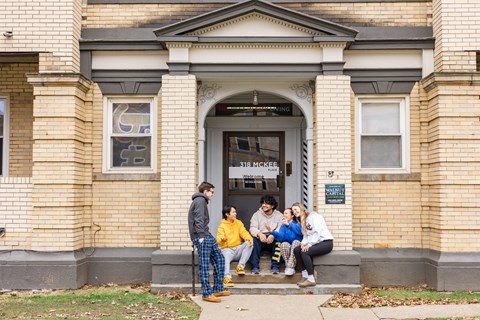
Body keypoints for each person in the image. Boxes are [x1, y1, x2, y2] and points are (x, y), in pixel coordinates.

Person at [188, 181, 230, 303]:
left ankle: (217, 288)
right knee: (205, 264)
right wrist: (200, 236)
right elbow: (198, 219)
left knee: (220, 259)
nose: (212, 194)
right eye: (211, 192)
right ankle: (206, 293)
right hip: (202, 236)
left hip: (206, 235)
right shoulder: (200, 201)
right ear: (205, 191)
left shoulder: (201, 201)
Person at [292, 202, 333, 288]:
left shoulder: (313, 216)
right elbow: (306, 235)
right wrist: (303, 243)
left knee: (304, 252)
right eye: (293, 211)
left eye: (296, 209)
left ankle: (311, 279)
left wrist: (309, 244)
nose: (294, 212)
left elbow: (316, 233)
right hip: (315, 242)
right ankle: (305, 275)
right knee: (296, 250)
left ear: (301, 208)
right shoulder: (303, 220)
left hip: (325, 242)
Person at [216, 205, 254, 287]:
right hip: (227, 250)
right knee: (225, 256)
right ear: (227, 214)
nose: (235, 214)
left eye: (235, 212)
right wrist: (222, 239)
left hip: (238, 249)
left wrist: (250, 239)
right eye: (233, 212)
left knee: (249, 243)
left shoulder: (238, 223)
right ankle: (227, 278)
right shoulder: (222, 225)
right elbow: (219, 237)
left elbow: (244, 232)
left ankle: (240, 266)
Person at [249, 195, 283, 274]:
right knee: (253, 241)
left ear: (272, 206)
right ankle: (255, 267)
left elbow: (281, 227)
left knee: (279, 241)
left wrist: (273, 235)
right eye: (263, 203)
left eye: (267, 203)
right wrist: (259, 234)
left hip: (272, 237)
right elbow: (252, 228)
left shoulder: (278, 215)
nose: (264, 205)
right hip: (261, 238)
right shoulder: (256, 215)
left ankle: (275, 266)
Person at [266, 207, 303, 276]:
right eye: (283, 213)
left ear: (292, 215)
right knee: (284, 244)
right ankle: (289, 266)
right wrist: (272, 231)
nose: (284, 215)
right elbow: (281, 237)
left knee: (295, 242)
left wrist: (289, 225)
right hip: (289, 249)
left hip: (298, 248)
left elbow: (299, 234)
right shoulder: (283, 226)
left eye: (286, 213)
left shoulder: (297, 224)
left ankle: (290, 267)